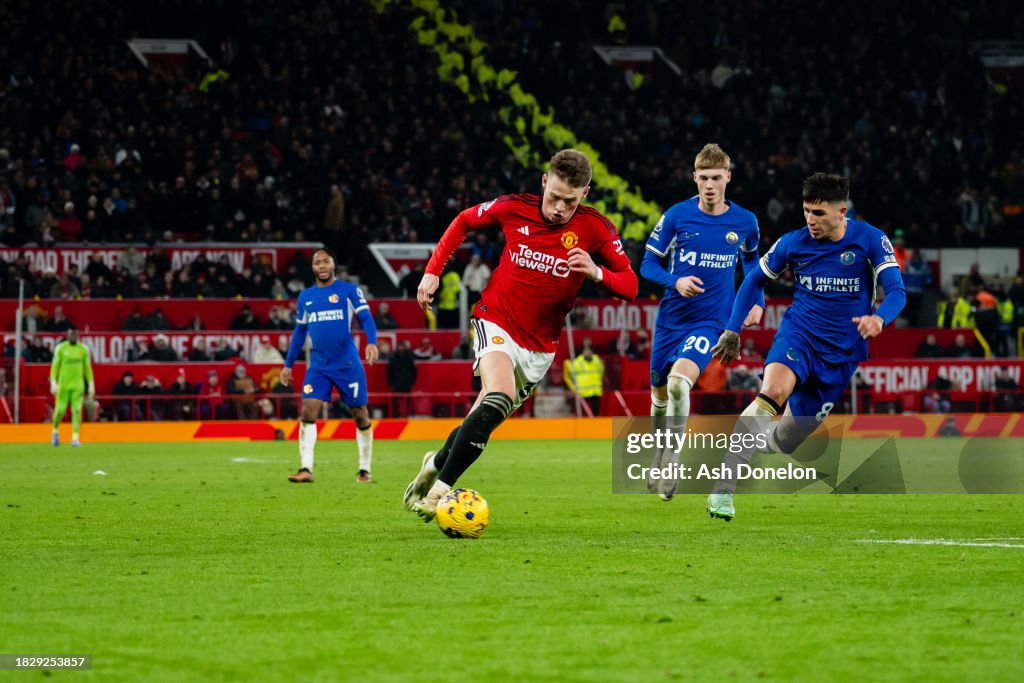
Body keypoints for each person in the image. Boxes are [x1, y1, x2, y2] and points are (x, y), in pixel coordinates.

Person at [403, 148, 638, 520]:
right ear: (544, 182)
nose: (559, 208)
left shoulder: (597, 229)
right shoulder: (514, 208)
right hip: (495, 319)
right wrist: (433, 270)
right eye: (554, 197)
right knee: (498, 394)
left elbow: (630, 286)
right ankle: (441, 492)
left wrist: (597, 273)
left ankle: (434, 464)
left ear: (585, 194)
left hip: (540, 347)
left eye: (570, 201)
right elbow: (464, 220)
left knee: (485, 415)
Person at [707, 173, 906, 521]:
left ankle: (747, 439)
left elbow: (897, 291)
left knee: (787, 440)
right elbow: (754, 279)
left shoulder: (871, 240)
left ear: (841, 211)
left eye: (819, 213)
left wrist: (879, 319)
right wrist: (732, 329)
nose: (810, 220)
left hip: (842, 353)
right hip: (799, 335)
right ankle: (723, 488)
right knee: (772, 392)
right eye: (806, 211)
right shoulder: (792, 243)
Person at [639, 143, 763, 501]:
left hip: (711, 321)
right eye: (703, 177)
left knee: (680, 384)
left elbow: (754, 268)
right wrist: (674, 281)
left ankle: (673, 460)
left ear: (728, 177)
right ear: (695, 178)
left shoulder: (744, 221)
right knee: (659, 396)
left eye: (716, 177)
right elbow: (648, 265)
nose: (709, 184)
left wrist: (758, 300)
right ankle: (660, 453)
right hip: (671, 320)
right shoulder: (677, 216)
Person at [280, 247, 379, 483]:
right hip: (319, 365)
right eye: (317, 262)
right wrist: (288, 365)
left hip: (347, 364)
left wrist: (372, 342)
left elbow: (365, 317)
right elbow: (298, 333)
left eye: (326, 261)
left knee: (360, 414)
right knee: (308, 410)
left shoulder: (348, 290)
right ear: (313, 268)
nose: (322, 266)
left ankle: (364, 469)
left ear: (333, 264)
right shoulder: (306, 297)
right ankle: (306, 469)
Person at [49, 328, 95, 446]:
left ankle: (75, 438)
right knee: (59, 411)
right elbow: (55, 367)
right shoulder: (61, 348)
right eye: (70, 334)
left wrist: (91, 384)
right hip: (63, 386)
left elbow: (87, 368)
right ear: (67, 335)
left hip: (78, 386)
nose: (73, 336)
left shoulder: (83, 349)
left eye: (75, 334)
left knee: (77, 411)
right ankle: (55, 431)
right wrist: (53, 382)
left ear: (78, 335)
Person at [563, 341, 605, 416]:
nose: (588, 352)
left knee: (596, 415)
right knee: (583, 416)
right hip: (582, 393)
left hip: (595, 392)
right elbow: (567, 377)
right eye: (586, 350)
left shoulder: (598, 361)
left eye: (589, 350)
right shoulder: (577, 362)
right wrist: (573, 388)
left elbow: (601, 372)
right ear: (582, 352)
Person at [387, 339, 418, 417]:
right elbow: (390, 370)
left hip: (406, 382)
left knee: (408, 400)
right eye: (400, 346)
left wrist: (412, 380)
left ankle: (409, 414)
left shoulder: (409, 356)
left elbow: (413, 370)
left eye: (402, 346)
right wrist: (390, 382)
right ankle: (395, 415)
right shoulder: (394, 357)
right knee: (395, 401)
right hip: (396, 382)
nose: (401, 348)